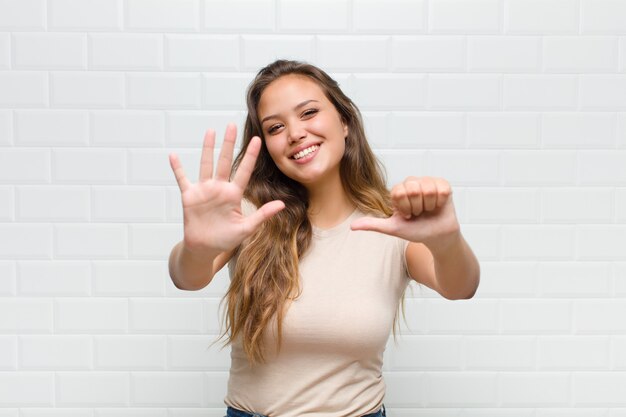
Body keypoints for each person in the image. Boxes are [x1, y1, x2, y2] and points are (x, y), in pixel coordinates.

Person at [167, 59, 480, 417]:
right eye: (275, 127)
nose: (295, 133)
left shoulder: (392, 224)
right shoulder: (248, 214)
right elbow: (186, 277)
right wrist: (195, 248)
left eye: (309, 112)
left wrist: (447, 241)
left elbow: (461, 286)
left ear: (344, 121)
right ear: (266, 146)